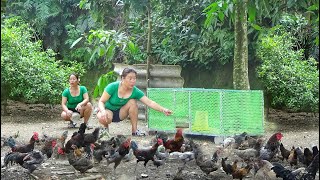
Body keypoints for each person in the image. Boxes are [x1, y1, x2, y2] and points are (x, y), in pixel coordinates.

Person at [97, 68, 173, 136]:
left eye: (134, 78)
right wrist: (103, 111)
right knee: (104, 117)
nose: (133, 81)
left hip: (121, 113)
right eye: (130, 79)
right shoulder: (112, 86)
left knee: (132, 102)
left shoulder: (135, 91)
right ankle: (105, 129)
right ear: (123, 78)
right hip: (107, 111)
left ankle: (135, 131)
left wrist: (163, 109)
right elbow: (101, 101)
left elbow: (150, 102)